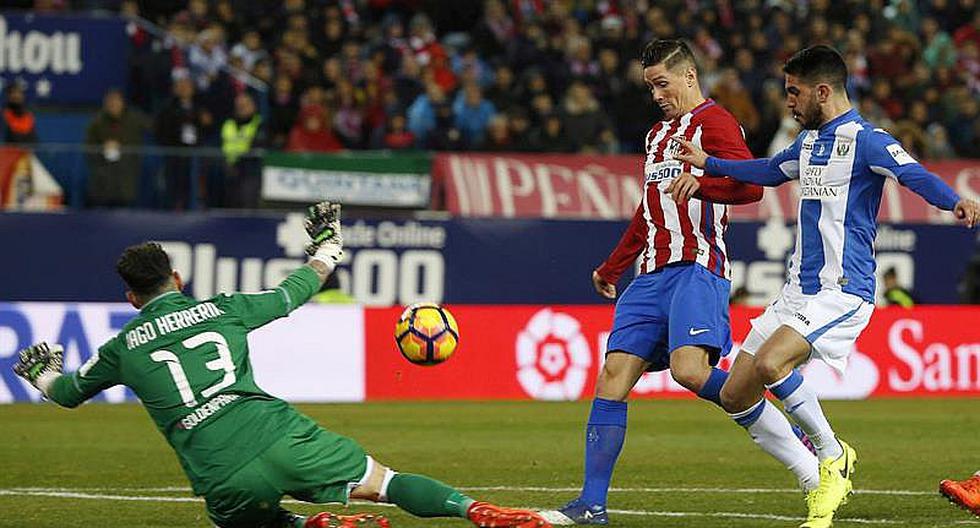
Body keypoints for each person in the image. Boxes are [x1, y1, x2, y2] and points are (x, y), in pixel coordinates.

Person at [11, 202, 550, 528]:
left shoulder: (122, 348)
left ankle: (310, 523)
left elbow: (67, 392)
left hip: (218, 471)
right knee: (382, 483)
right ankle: (477, 511)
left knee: (246, 522)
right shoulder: (219, 309)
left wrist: (42, 372)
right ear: (177, 279)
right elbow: (293, 292)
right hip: (275, 433)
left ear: (130, 298)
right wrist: (328, 248)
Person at [672, 45, 980, 528]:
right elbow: (770, 171)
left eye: (794, 92)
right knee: (735, 395)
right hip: (796, 291)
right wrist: (710, 163)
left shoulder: (867, 140)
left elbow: (913, 173)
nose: (788, 101)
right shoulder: (808, 144)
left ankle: (832, 457)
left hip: (842, 290)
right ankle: (814, 470)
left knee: (774, 362)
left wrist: (954, 201)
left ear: (822, 90)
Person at [542, 39, 817, 526]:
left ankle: (788, 435)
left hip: (697, 266)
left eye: (662, 83)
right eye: (650, 86)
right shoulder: (654, 138)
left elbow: (752, 187)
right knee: (611, 379)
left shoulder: (716, 123)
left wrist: (705, 181)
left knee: (689, 371)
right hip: (648, 276)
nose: (656, 94)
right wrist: (613, 266)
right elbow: (648, 211)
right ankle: (591, 503)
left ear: (690, 77)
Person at [85, 88, 150, 208]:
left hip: (127, 174)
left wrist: (124, 148)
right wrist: (102, 148)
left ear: (122, 102)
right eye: (110, 102)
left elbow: (153, 128)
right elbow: (89, 148)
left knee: (125, 209)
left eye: (116, 101)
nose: (113, 104)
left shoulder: (135, 119)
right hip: (104, 176)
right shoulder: (97, 122)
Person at [221, 93, 265, 208]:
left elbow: (258, 146)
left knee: (247, 201)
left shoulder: (259, 123)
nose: (242, 108)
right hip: (227, 168)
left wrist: (238, 163)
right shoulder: (228, 123)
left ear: (253, 106)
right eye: (239, 105)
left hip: (250, 170)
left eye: (245, 105)